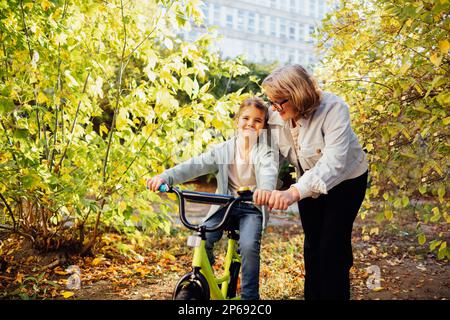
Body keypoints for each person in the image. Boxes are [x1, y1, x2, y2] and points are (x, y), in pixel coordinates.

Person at [147, 97, 278, 300]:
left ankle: (250, 298)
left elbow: (269, 171)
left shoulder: (265, 151)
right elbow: (193, 165)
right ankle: (201, 285)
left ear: (263, 127)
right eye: (246, 118)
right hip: (225, 206)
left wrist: (265, 190)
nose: (250, 124)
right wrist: (165, 177)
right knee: (203, 236)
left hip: (252, 206)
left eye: (257, 121)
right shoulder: (224, 150)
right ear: (237, 120)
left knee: (249, 246)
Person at [262, 64, 368, 300]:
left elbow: (334, 163)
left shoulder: (334, 109)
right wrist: (266, 186)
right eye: (271, 102)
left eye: (278, 102)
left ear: (297, 95)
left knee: (332, 244)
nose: (274, 108)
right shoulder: (277, 114)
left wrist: (292, 193)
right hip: (307, 179)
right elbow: (269, 154)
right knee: (313, 245)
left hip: (347, 181)